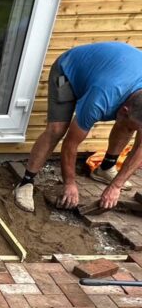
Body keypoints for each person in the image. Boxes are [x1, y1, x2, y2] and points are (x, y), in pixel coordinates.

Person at [14, 41, 142, 213]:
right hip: (68, 72)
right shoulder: (100, 99)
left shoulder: (131, 107)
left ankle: (105, 168)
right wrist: (69, 184)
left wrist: (116, 186)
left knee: (128, 126)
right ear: (124, 110)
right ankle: (26, 182)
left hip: (110, 73)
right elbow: (70, 144)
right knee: (57, 129)